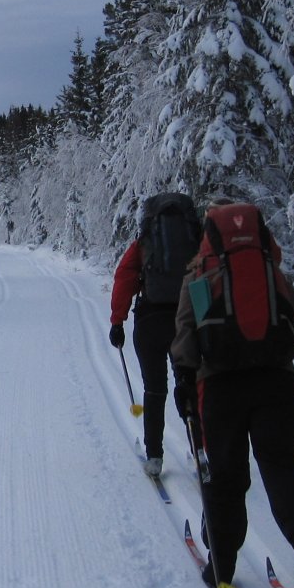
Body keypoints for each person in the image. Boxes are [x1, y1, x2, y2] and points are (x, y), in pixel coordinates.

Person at [171, 197, 294, 588]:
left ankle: (222, 567)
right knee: (283, 469)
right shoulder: (266, 269)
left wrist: (185, 382)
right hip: (277, 382)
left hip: (223, 389)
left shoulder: (202, 277)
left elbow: (189, 337)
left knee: (226, 479)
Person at [109, 192, 201, 479]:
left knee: (154, 389)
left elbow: (124, 277)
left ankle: (154, 456)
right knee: (190, 384)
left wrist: (117, 321)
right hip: (186, 322)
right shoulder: (195, 242)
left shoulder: (144, 244)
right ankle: (201, 451)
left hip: (150, 321)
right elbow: (205, 278)